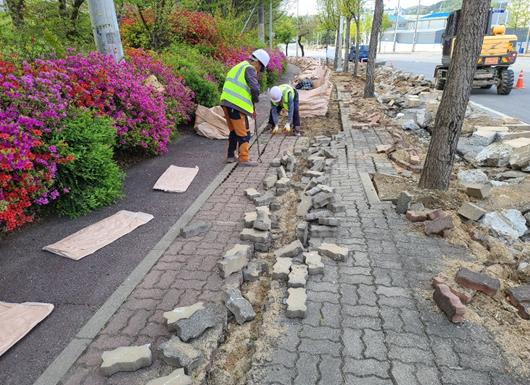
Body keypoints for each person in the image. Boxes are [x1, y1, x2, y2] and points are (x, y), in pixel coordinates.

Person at [220, 49, 270, 166]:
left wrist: (251, 109)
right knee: (244, 133)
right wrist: (255, 99)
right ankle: (244, 158)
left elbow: (240, 88)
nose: (259, 71)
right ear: (257, 63)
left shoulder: (238, 66)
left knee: (234, 131)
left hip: (226, 103)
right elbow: (254, 89)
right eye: (260, 68)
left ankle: (231, 156)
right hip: (236, 105)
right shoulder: (250, 68)